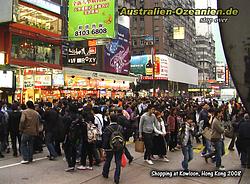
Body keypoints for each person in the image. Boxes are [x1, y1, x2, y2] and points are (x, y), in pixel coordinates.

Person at [102, 114, 124, 184]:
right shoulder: (120, 127)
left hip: (109, 147)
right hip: (119, 147)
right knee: (118, 162)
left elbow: (105, 140)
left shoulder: (107, 128)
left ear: (110, 119)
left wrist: (104, 148)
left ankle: (105, 173)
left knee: (108, 160)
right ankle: (116, 178)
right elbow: (124, 137)